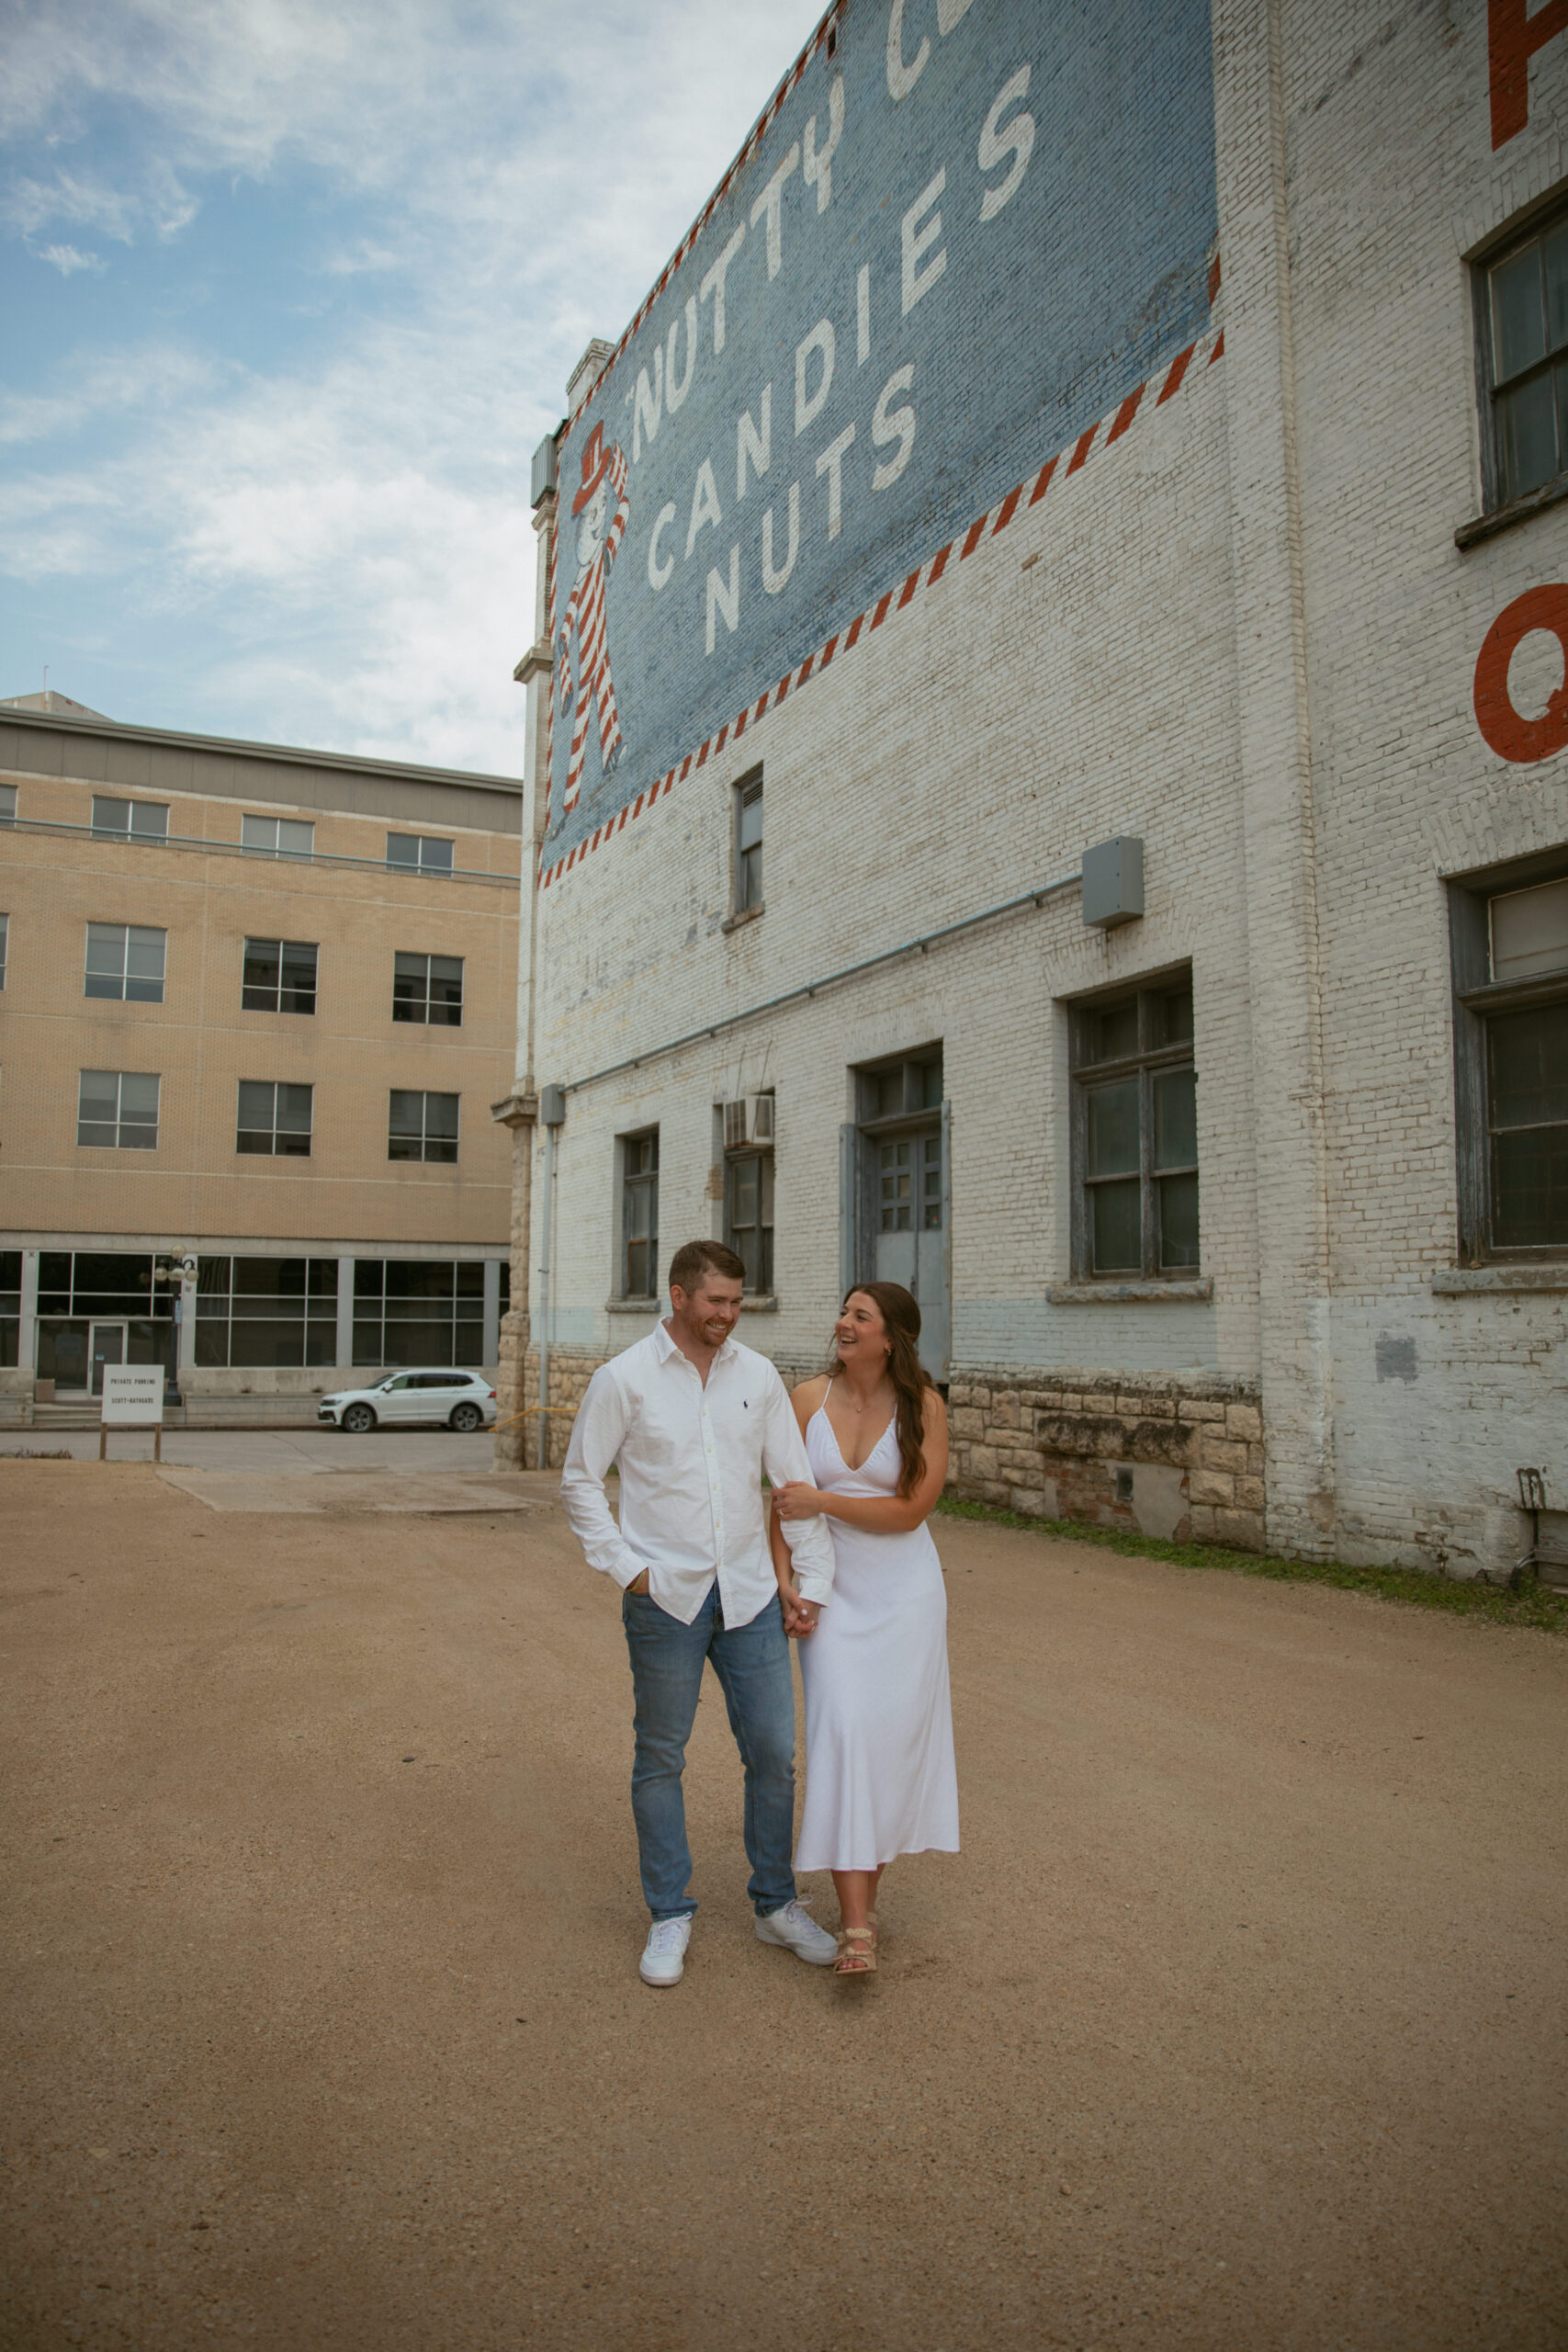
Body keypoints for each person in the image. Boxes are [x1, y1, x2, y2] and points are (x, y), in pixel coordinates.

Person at [560, 1238, 840, 1987]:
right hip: (667, 1600)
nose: (728, 1315)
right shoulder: (624, 1378)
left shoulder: (758, 1376)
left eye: (736, 1302)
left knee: (774, 1754)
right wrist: (629, 1570)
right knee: (660, 1758)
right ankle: (668, 1914)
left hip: (748, 1593)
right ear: (678, 1296)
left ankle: (774, 1904)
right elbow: (581, 1481)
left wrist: (808, 1578)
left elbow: (792, 1480)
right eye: (716, 1301)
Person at [770, 1282, 959, 1975]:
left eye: (859, 1316)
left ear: (892, 1338)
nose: (842, 1324)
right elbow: (782, 1504)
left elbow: (911, 1510)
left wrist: (823, 1499)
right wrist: (786, 1583)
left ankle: (860, 1917)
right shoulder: (803, 1401)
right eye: (844, 1313)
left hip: (904, 1594)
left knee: (883, 1747)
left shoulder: (924, 1408)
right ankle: (855, 1923)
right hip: (831, 1593)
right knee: (843, 1734)